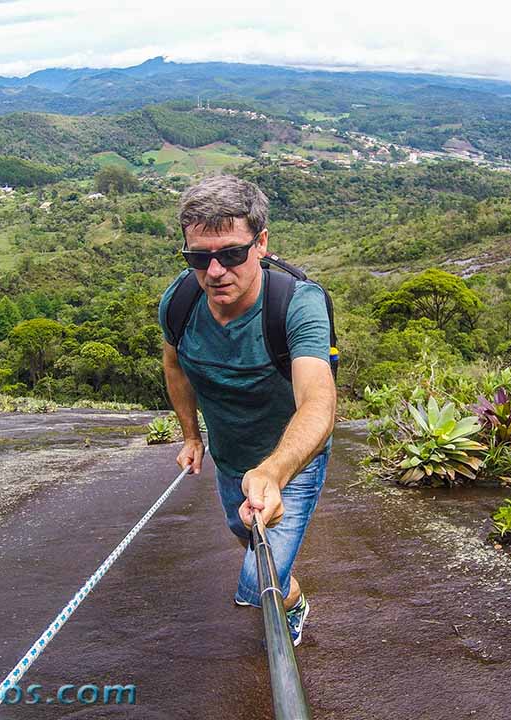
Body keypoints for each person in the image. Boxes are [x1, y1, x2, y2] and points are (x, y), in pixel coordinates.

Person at [159, 175, 336, 646]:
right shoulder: (180, 303)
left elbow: (318, 400)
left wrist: (275, 472)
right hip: (229, 460)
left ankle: (290, 602)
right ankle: (279, 585)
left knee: (258, 583)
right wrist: (191, 437)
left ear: (261, 244)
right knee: (249, 539)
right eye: (199, 258)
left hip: (291, 465)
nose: (215, 271)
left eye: (232, 254)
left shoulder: (297, 305)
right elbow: (174, 363)